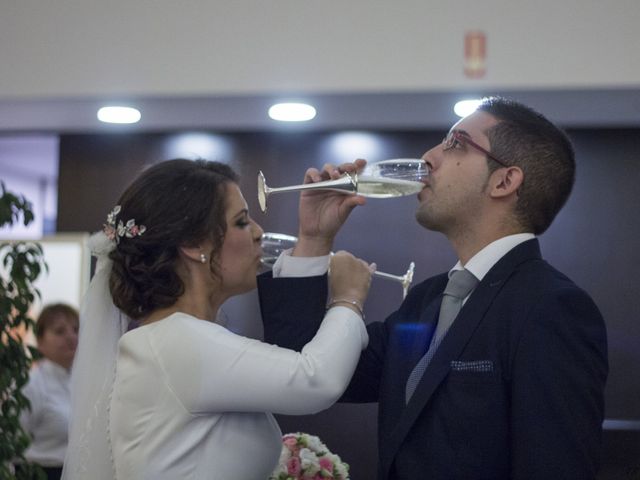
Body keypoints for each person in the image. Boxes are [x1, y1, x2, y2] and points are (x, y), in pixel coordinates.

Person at [258, 97, 609, 479]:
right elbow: (304, 370)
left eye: (456, 143)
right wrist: (313, 238)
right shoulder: (427, 300)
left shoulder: (551, 308)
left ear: (504, 180)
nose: (428, 156)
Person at [62, 159, 374, 480]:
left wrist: (314, 238)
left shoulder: (176, 338)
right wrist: (347, 300)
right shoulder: (177, 341)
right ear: (193, 244)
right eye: (241, 222)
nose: (258, 232)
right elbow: (315, 379)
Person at [20, 303, 79, 480]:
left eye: (76, 329)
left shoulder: (83, 381)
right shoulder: (32, 384)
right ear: (40, 341)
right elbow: (15, 442)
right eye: (60, 331)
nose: (71, 337)